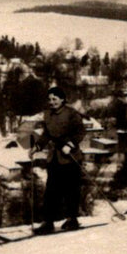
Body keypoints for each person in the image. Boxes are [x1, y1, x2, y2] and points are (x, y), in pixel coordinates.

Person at [31, 85, 87, 234]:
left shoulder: (71, 113)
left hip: (70, 157)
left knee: (71, 190)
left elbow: (80, 132)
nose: (52, 102)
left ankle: (72, 219)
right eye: (49, 99)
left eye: (55, 99)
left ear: (62, 99)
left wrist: (70, 144)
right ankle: (48, 222)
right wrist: (37, 147)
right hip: (54, 157)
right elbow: (46, 135)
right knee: (51, 191)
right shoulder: (47, 114)